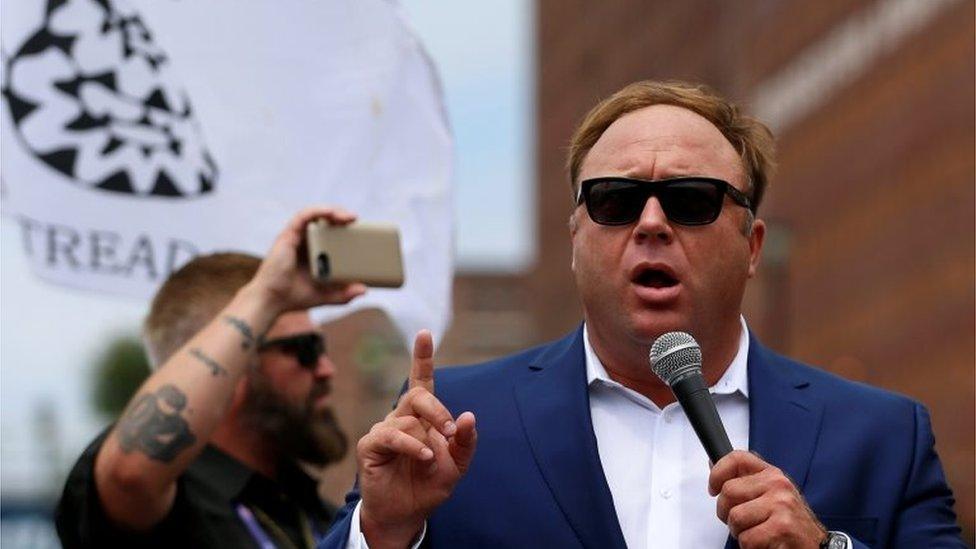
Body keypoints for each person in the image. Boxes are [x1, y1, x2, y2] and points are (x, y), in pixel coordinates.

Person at [321, 81, 964, 549]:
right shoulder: (450, 425)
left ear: (752, 247)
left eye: (690, 200)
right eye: (614, 201)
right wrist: (382, 532)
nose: (651, 223)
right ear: (576, 239)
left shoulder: (883, 438)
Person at [56, 207, 367, 548]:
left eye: (321, 345)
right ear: (232, 365)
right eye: (305, 348)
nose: (326, 368)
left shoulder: (321, 516)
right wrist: (266, 296)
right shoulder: (174, 502)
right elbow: (130, 474)